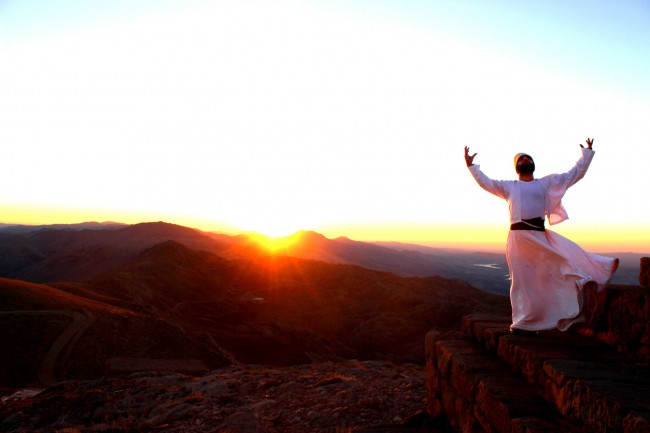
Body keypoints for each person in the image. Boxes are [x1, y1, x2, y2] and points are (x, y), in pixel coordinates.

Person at [464, 138, 619, 334]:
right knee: (522, 282)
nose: (525, 160)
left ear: (532, 165)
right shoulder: (509, 186)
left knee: (550, 274)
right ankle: (523, 323)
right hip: (518, 240)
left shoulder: (545, 184)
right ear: (517, 168)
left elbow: (573, 175)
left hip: (539, 236)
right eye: (521, 159)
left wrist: (586, 155)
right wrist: (471, 166)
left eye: (528, 158)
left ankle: (581, 285)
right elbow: (486, 182)